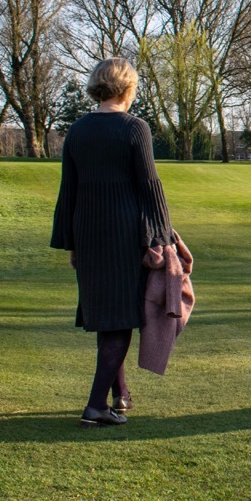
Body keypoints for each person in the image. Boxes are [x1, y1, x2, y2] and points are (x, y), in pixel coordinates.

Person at [51, 58, 176, 427]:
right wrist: (164, 237)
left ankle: (119, 395)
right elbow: (149, 185)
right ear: (128, 88)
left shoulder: (77, 130)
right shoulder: (135, 128)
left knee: (109, 319)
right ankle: (95, 406)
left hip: (89, 236)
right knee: (120, 321)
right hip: (123, 236)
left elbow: (68, 190)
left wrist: (71, 242)